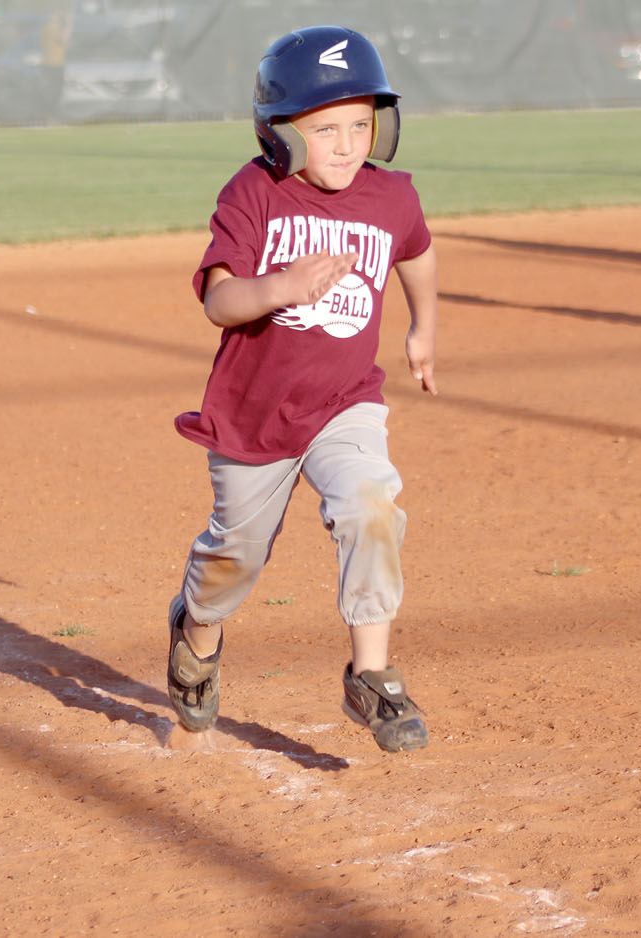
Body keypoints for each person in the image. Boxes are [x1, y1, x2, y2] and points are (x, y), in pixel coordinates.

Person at [166, 26, 439, 752]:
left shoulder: (391, 197)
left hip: (346, 401)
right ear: (280, 133)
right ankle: (195, 633)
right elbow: (219, 303)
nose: (348, 143)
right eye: (325, 129)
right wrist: (281, 285)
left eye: (360, 124)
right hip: (253, 417)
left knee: (370, 502)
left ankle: (372, 676)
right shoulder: (253, 194)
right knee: (236, 558)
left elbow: (416, 249)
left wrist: (425, 325)